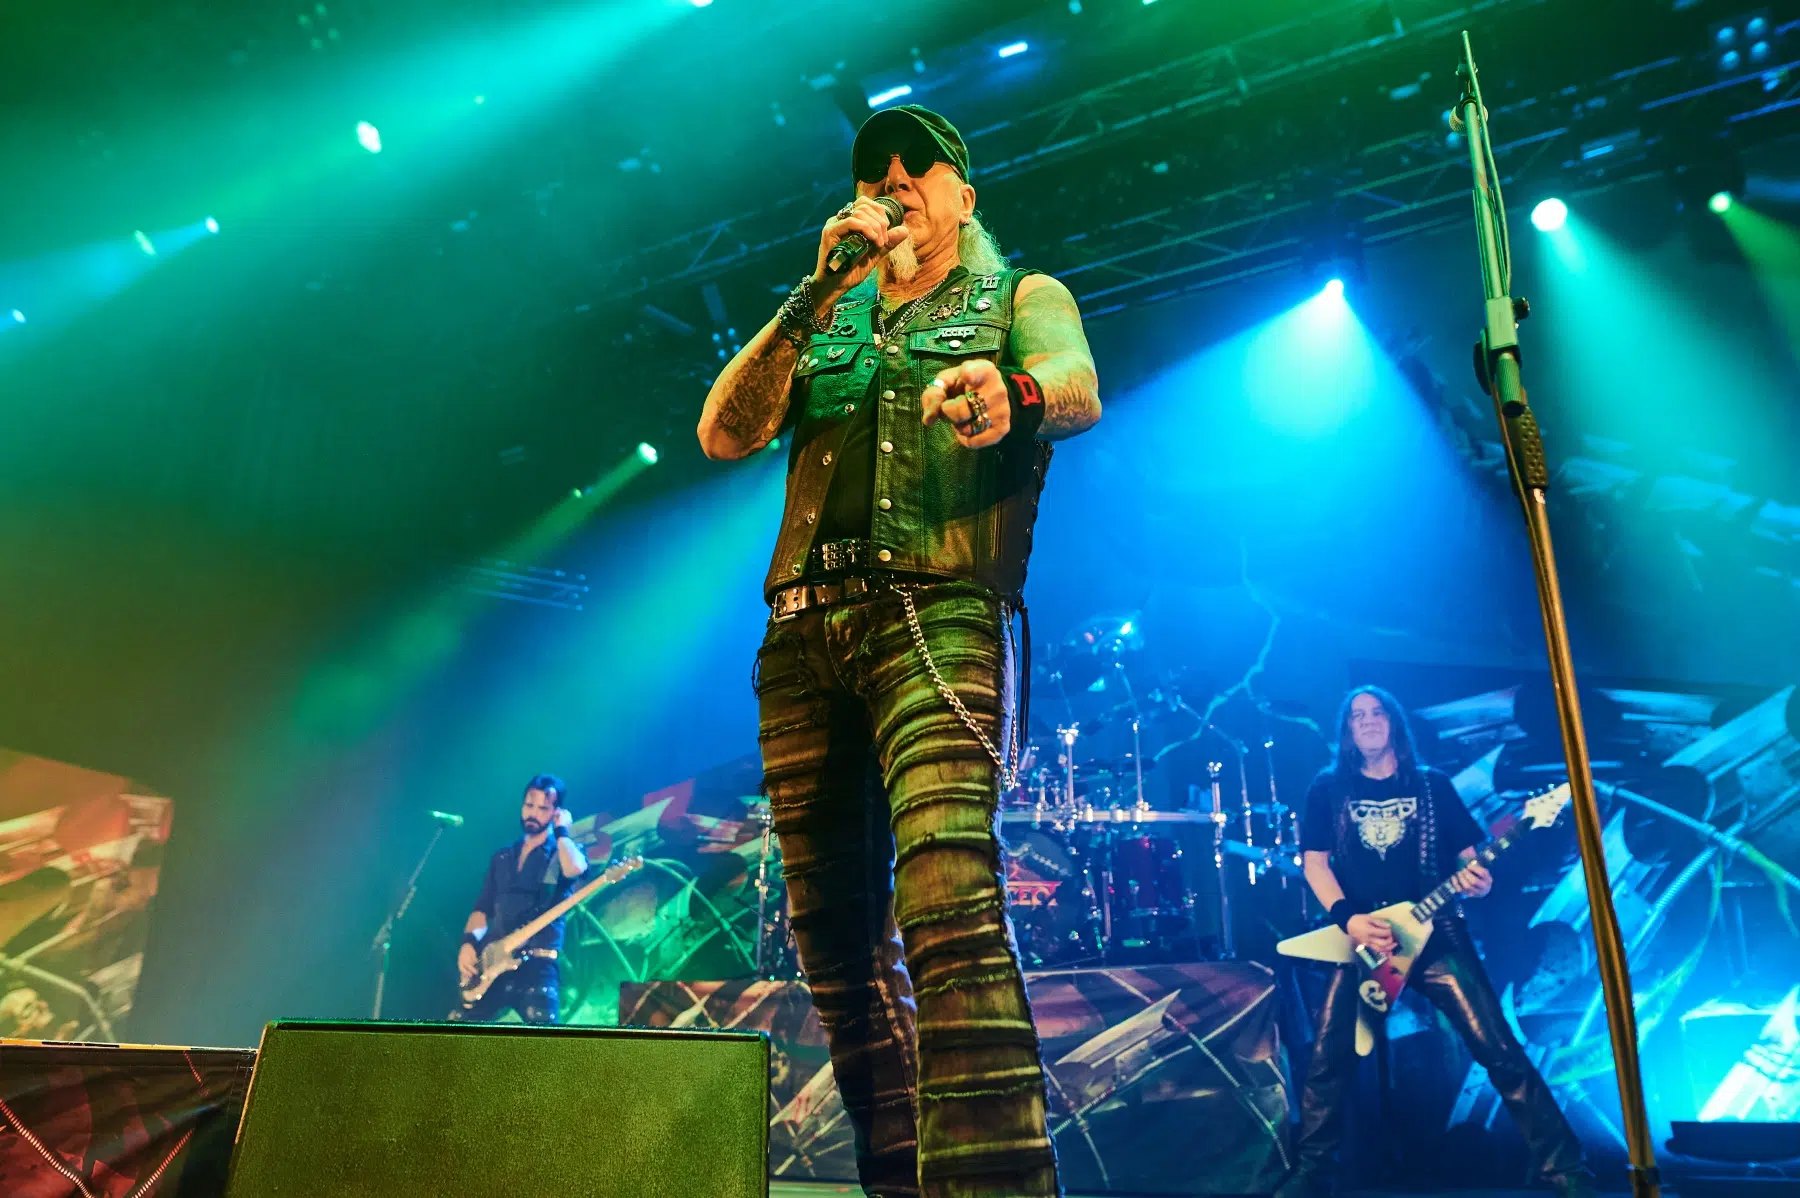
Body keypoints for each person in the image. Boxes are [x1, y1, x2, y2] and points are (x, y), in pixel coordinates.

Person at [697, 104, 1101, 1197]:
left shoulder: (1018, 295)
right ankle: (899, 1182)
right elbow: (723, 431)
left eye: (919, 165)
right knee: (833, 948)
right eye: (877, 171)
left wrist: (1012, 392)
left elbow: (1076, 384)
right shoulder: (826, 314)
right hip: (802, 638)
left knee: (947, 902)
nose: (895, 180)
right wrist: (813, 289)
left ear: (965, 193)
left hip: (937, 616)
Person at [1280, 686, 1595, 1198]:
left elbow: (1469, 861)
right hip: (1366, 939)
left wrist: (1479, 880)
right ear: (1347, 730)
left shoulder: (1433, 786)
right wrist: (1349, 920)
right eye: (1357, 715)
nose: (1368, 721)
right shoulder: (1328, 788)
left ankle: (1566, 1169)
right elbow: (1315, 864)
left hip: (1437, 934)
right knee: (1328, 1061)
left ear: (1394, 723)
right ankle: (1313, 1174)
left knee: (1499, 1049)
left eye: (1377, 712)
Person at [450, 774, 587, 1025]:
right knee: (456, 1030)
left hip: (538, 966)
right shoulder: (502, 857)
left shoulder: (561, 853)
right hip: (493, 964)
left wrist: (562, 831)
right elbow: (482, 909)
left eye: (543, 808)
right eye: (529, 805)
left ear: (556, 812)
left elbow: (575, 869)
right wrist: (468, 943)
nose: (533, 813)